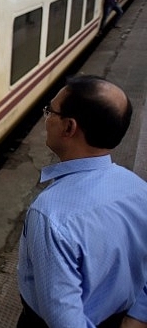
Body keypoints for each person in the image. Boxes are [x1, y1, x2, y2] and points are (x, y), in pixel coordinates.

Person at [17, 75, 147, 328]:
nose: (46, 119)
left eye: (50, 111)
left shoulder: (50, 216)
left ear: (69, 128)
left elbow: (65, 321)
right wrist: (139, 315)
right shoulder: (138, 189)